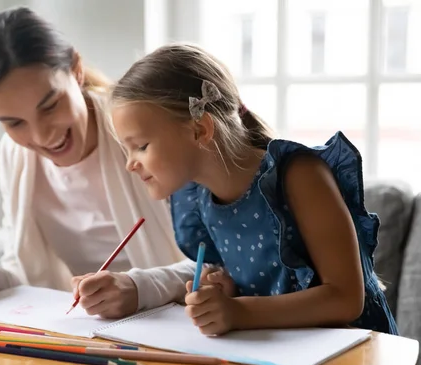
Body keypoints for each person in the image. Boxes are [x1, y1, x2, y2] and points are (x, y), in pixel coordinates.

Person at [0, 7, 234, 318]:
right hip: (92, 333)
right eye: (14, 123)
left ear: (76, 71)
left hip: (179, 325)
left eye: (50, 106)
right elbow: (27, 270)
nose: (40, 136)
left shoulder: (146, 132)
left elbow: (222, 256)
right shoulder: (14, 153)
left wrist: (140, 288)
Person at [109, 43, 399, 337]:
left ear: (200, 130)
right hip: (282, 355)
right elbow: (264, 283)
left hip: (353, 358)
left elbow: (346, 299)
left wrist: (240, 311)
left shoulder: (298, 175)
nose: (130, 165)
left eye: (141, 147)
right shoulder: (197, 197)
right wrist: (227, 290)